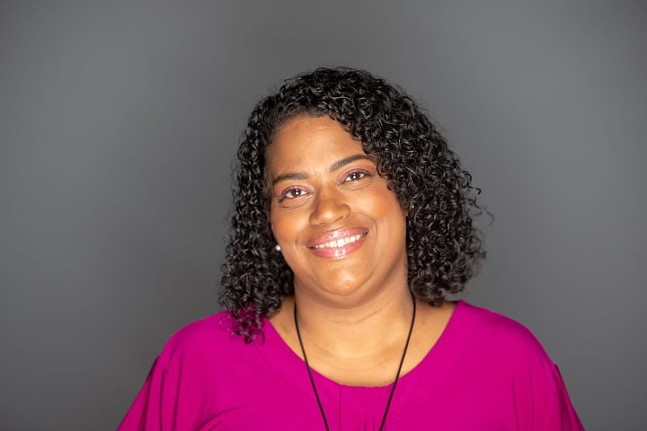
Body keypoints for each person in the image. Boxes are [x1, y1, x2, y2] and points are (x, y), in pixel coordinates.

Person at [118, 67, 584, 430]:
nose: (326, 212)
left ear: (408, 190)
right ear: (271, 225)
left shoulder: (509, 363)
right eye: (294, 192)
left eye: (354, 176)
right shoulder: (199, 360)